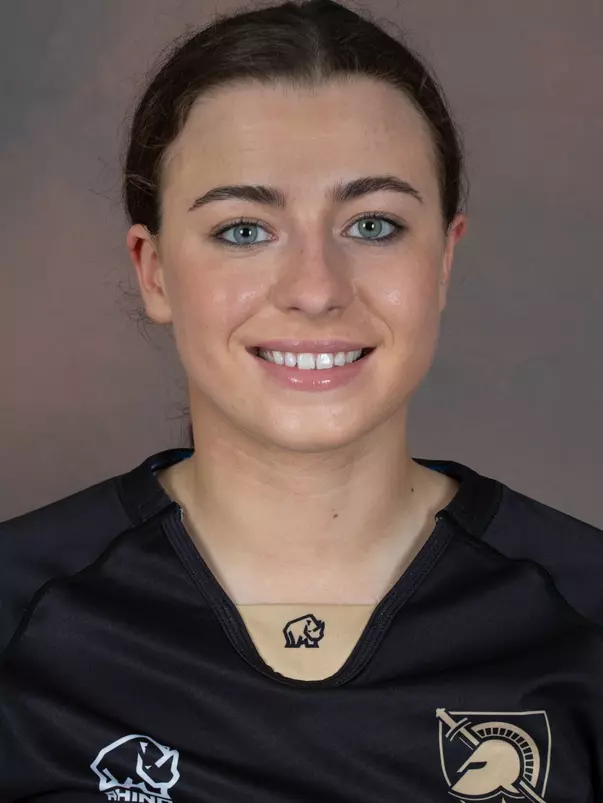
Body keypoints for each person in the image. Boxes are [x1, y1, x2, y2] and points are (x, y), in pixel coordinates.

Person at [1, 1, 602, 800]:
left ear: (444, 262)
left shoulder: (581, 610)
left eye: (374, 224)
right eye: (245, 230)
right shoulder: (19, 609)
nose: (316, 290)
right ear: (153, 271)